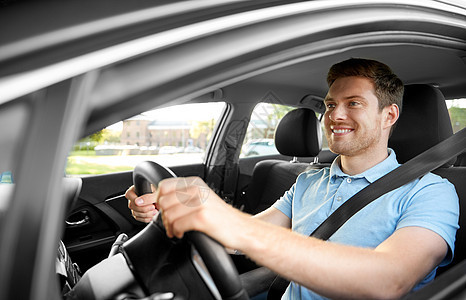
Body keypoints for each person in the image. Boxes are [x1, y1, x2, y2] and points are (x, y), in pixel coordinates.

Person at [126, 58, 459, 299]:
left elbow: (390, 282)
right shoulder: (308, 181)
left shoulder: (430, 192)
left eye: (353, 103)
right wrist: (169, 214)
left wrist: (233, 223)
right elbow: (237, 239)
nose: (334, 116)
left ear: (389, 115)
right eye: (330, 105)